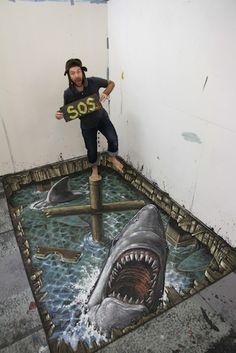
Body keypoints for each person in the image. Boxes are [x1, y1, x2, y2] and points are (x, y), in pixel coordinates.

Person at [55, 58, 123, 179]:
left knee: (113, 139)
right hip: (87, 125)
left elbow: (111, 83)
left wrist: (106, 92)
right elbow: (67, 111)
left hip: (102, 118)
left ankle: (112, 157)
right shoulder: (68, 93)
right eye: (72, 73)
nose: (76, 75)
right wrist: (59, 115)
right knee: (91, 150)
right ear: (69, 76)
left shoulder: (93, 81)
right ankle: (94, 169)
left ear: (83, 71)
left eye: (78, 72)